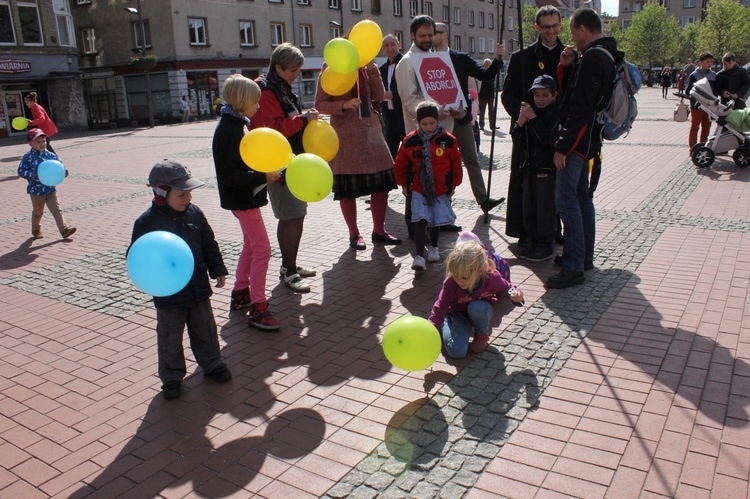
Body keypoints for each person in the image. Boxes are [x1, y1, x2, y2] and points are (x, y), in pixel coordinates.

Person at [130, 160, 232, 400]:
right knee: (169, 337)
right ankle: (172, 377)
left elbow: (208, 242)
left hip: (197, 289)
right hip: (169, 295)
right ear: (160, 193)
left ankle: (212, 363)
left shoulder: (195, 214)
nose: (187, 199)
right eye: (181, 194)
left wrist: (217, 268)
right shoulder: (147, 223)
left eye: (189, 194)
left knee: (205, 329)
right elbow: (137, 256)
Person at [550, 8, 621, 289]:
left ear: (582, 29)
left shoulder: (593, 57)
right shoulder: (605, 54)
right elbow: (579, 97)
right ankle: (582, 257)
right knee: (581, 198)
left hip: (578, 142)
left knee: (567, 201)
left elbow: (581, 108)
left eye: (571, 30)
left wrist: (564, 147)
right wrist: (568, 67)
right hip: (589, 140)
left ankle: (574, 265)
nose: (570, 37)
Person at [213, 74, 282, 330]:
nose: (259, 106)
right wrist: (263, 176)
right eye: (255, 101)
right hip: (242, 199)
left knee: (252, 246)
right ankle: (258, 307)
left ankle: (241, 292)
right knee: (262, 249)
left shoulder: (234, 125)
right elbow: (230, 175)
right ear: (242, 101)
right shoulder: (230, 131)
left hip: (242, 198)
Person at [251, 43, 319, 293]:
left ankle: (289, 264)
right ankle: (289, 272)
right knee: (291, 216)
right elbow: (274, 129)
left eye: (299, 70)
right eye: (293, 70)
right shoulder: (266, 91)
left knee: (294, 216)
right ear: (278, 67)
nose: (296, 75)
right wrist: (303, 119)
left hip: (290, 162)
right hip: (279, 165)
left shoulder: (279, 87)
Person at [314, 60, 402, 251]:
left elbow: (379, 97)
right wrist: (343, 105)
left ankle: (379, 231)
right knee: (347, 189)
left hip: (372, 132)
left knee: (381, 185)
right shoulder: (331, 66)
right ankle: (354, 234)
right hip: (346, 136)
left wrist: (372, 69)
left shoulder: (367, 65)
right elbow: (319, 104)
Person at [502, 6, 565, 251]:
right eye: (546, 26)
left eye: (555, 25)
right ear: (537, 27)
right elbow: (508, 95)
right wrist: (525, 116)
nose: (551, 31)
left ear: (561, 25)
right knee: (524, 181)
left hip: (556, 131)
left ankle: (553, 229)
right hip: (528, 131)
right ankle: (525, 229)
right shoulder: (522, 57)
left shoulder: (569, 55)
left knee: (557, 182)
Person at [432, 22, 506, 214]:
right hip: (437, 120)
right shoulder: (426, 58)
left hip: (460, 118)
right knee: (441, 161)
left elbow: (484, 74)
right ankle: (442, 202)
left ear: (445, 35)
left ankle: (483, 200)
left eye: (436, 32)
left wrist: (498, 60)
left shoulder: (460, 58)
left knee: (471, 159)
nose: (432, 35)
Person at [394, 102, 463, 271]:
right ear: (418, 123)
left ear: (437, 120)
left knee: (434, 220)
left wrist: (453, 184)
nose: (429, 127)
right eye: (424, 124)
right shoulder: (410, 140)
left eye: (432, 122)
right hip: (418, 187)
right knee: (420, 219)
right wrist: (403, 184)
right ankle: (419, 256)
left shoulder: (448, 140)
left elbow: (455, 163)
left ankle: (434, 247)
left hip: (440, 188)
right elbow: (400, 164)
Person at [429, 237, 524, 358]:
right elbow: (440, 307)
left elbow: (508, 288)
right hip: (457, 314)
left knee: (477, 307)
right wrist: (432, 328)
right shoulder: (451, 282)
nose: (458, 280)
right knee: (457, 353)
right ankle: (447, 325)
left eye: (464, 277)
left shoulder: (492, 278)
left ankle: (481, 336)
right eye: (455, 275)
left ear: (480, 271)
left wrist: (516, 294)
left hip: (481, 311)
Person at [512, 75, 559, 262]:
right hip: (529, 168)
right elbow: (518, 140)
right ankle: (531, 241)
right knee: (529, 208)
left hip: (546, 169)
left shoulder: (554, 113)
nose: (540, 99)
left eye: (545, 95)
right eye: (537, 95)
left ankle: (545, 244)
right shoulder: (531, 112)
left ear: (553, 96)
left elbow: (548, 140)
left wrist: (533, 119)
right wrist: (520, 123)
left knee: (545, 210)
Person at [17, 129, 76, 240]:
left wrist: (64, 172)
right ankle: (36, 229)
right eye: (38, 142)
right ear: (30, 143)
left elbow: (60, 166)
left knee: (57, 210)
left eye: (44, 141)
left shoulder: (51, 155)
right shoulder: (28, 157)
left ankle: (64, 229)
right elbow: (21, 171)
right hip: (36, 191)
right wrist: (35, 174)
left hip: (51, 190)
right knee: (38, 212)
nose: (42, 144)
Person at [379, 34, 406, 159]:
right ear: (382, 48)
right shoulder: (382, 69)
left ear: (398, 45)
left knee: (409, 151)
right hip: (388, 118)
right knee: (389, 154)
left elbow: (409, 88)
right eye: (386, 45)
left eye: (392, 44)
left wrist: (392, 95)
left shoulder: (406, 64)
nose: (390, 48)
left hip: (404, 116)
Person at [685, 52, 717, 150]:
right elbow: (688, 91)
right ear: (700, 62)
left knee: (706, 128)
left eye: (711, 62)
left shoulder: (714, 75)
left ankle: (703, 148)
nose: (710, 64)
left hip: (709, 106)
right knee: (695, 127)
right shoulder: (694, 75)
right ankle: (693, 148)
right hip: (697, 106)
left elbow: (716, 91)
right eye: (707, 62)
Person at [477, 59, 497, 130]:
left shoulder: (492, 73)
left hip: (491, 94)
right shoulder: (481, 72)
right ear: (484, 65)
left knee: (492, 110)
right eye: (488, 64)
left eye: (490, 64)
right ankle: (481, 125)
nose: (489, 66)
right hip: (483, 94)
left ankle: (492, 125)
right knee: (482, 110)